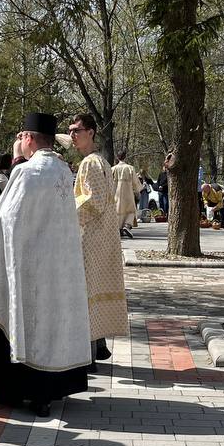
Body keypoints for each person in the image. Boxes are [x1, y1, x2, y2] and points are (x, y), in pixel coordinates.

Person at [0, 114, 92, 416]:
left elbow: (5, 218)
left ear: (28, 138)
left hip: (29, 268)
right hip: (58, 268)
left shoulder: (27, 172)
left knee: (25, 322)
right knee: (51, 325)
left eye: (20, 138)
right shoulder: (63, 170)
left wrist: (17, 162)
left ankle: (18, 390)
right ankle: (48, 392)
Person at [70, 114, 128, 366]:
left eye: (77, 130)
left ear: (91, 132)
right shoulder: (98, 161)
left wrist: (66, 213)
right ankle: (99, 346)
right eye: (70, 130)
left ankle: (89, 354)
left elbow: (94, 200)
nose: (72, 135)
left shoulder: (91, 163)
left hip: (91, 237)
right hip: (101, 235)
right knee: (93, 291)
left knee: (85, 293)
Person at [111, 151, 139, 239]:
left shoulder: (113, 169)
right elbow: (135, 182)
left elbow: (108, 182)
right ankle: (127, 226)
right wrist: (137, 190)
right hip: (128, 193)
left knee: (118, 211)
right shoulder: (130, 168)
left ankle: (118, 229)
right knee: (130, 211)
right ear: (125, 157)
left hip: (116, 193)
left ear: (117, 157)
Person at [153, 153, 173, 219]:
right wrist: (158, 186)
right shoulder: (161, 174)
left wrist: (163, 186)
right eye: (164, 167)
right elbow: (158, 181)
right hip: (160, 191)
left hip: (165, 191)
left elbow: (169, 183)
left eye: (165, 167)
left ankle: (167, 214)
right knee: (161, 203)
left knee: (166, 203)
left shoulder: (168, 174)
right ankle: (162, 215)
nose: (164, 168)